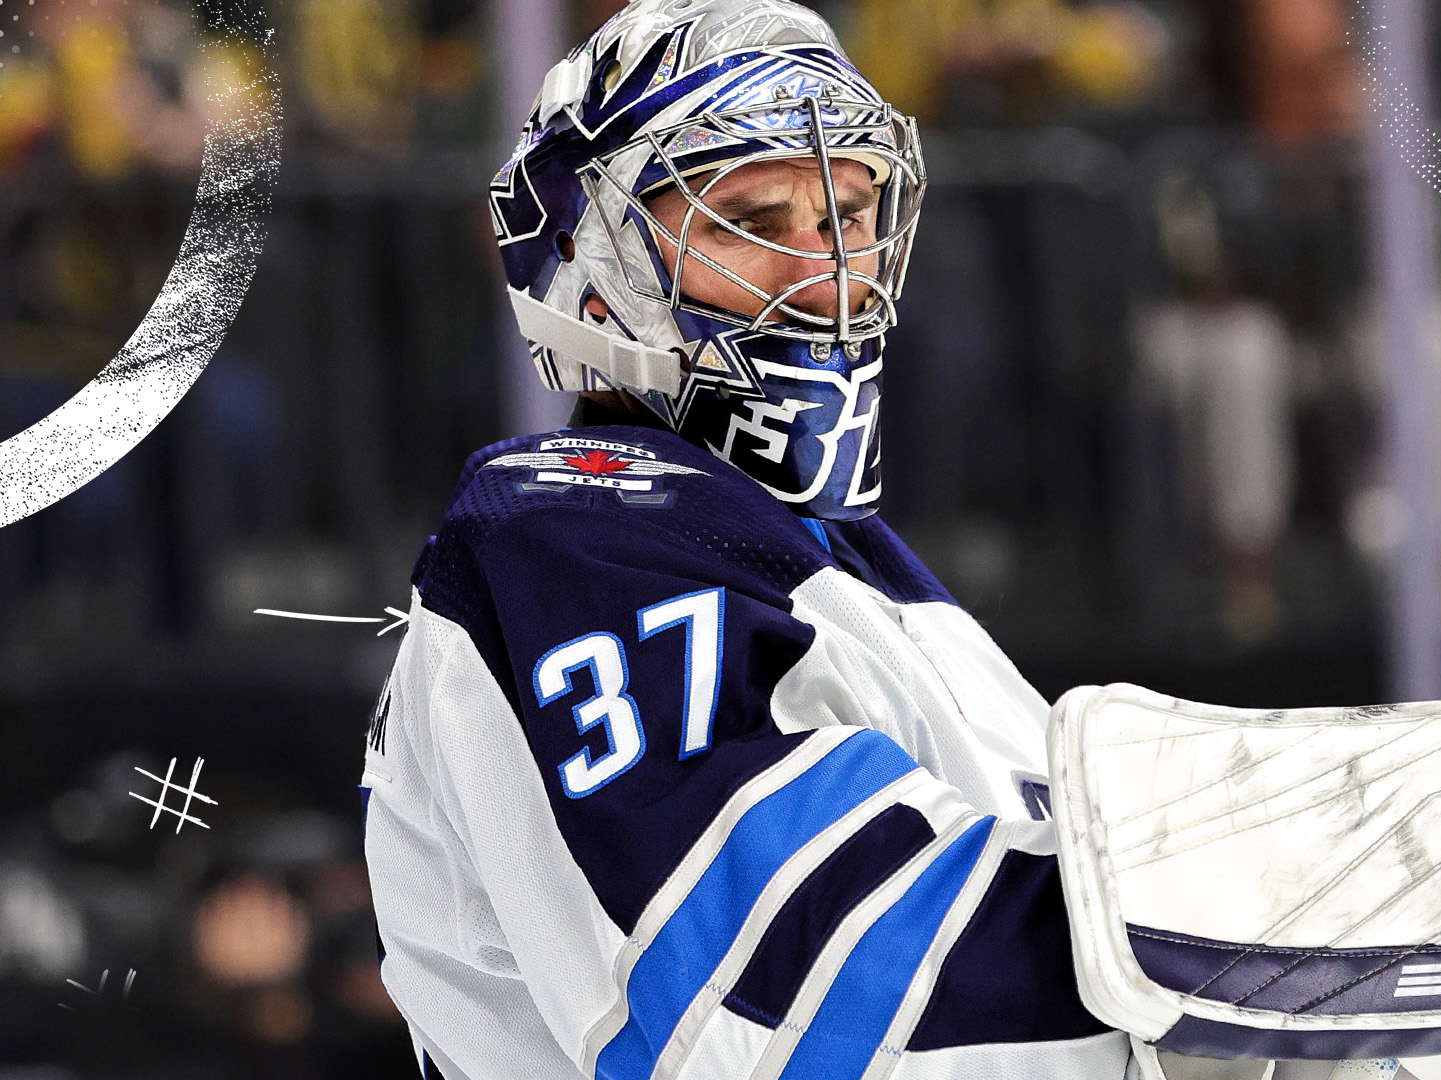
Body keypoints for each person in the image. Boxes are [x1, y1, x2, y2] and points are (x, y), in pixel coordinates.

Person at [361, 1, 1144, 1076]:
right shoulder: (565, 534)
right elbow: (779, 1014)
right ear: (604, 266)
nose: (828, 275)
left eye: (846, 215)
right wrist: (1236, 973)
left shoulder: (848, 565)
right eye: (755, 222)